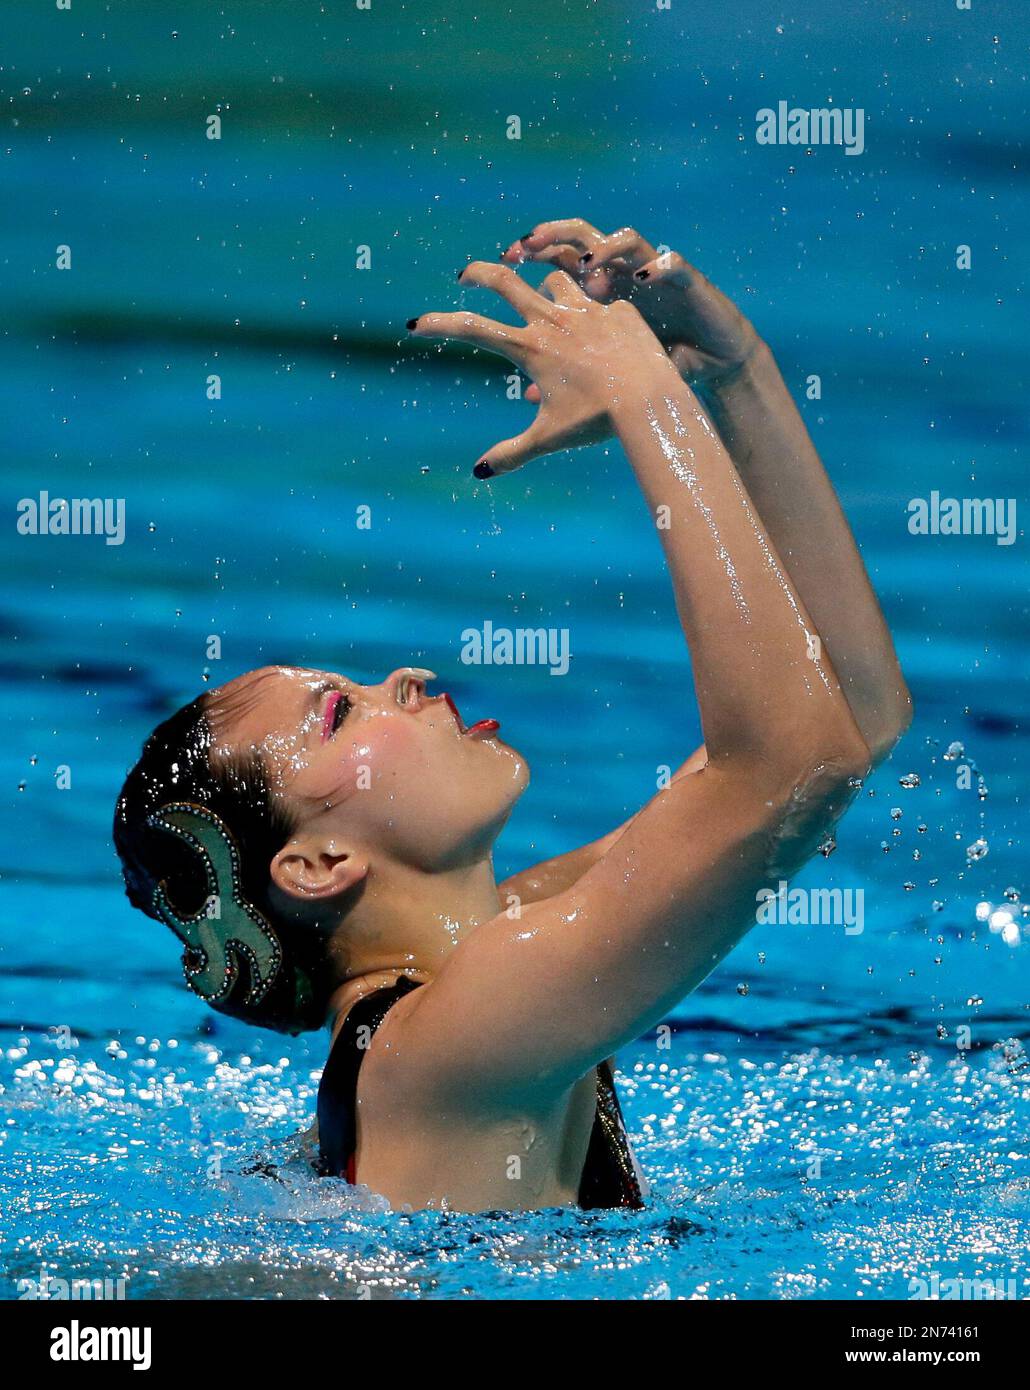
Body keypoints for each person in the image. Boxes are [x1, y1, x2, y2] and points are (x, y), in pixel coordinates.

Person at [114, 218, 911, 1213]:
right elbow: (794, 765)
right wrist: (640, 394)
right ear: (316, 866)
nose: (402, 676)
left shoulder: (508, 939)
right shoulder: (446, 1038)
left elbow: (843, 725)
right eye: (339, 715)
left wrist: (729, 374)